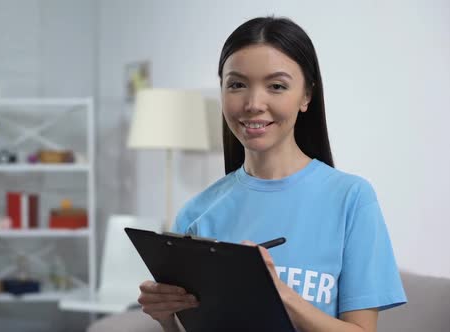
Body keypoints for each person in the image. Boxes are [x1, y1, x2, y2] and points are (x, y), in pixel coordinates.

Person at [137, 16, 407, 332]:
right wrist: (166, 318)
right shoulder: (196, 214)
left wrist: (279, 294)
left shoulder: (351, 198)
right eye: (237, 84)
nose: (253, 104)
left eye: (276, 86)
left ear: (306, 96)